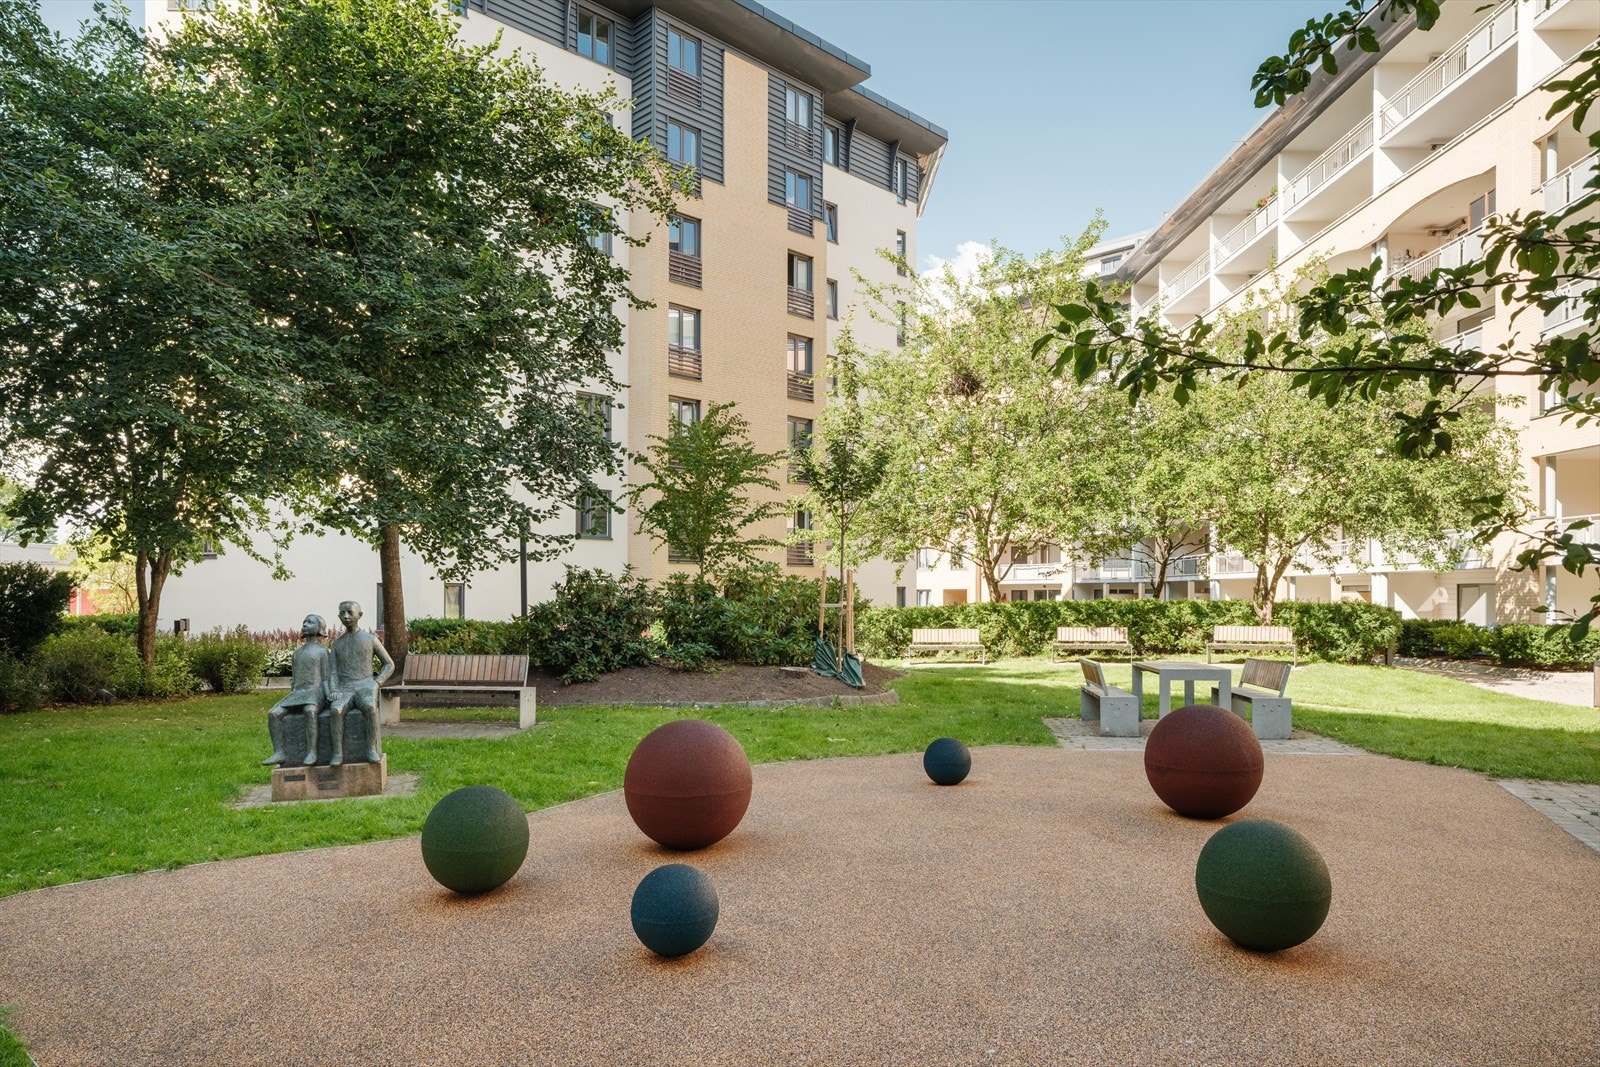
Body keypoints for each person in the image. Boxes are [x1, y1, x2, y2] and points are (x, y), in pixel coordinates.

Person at [328, 600, 394, 766]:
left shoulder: (370, 639)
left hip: (365, 685)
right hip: (345, 687)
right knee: (336, 709)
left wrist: (377, 683)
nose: (346, 616)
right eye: (342, 613)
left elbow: (389, 664)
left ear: (360, 615)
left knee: (370, 708)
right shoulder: (337, 644)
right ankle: (337, 752)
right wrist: (334, 689)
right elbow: (333, 672)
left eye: (350, 612)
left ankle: (371, 748)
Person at [262, 614, 334, 767]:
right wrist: (291, 696)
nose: (305, 625)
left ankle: (312, 751)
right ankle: (279, 752)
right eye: (304, 622)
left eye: (310, 622)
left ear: (320, 629)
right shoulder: (297, 654)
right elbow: (294, 680)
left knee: (310, 711)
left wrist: (328, 695)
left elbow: (326, 677)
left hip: (316, 692)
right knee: (273, 714)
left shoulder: (322, 652)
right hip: (298, 693)